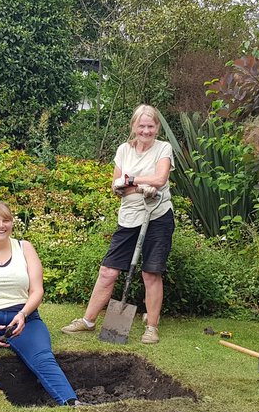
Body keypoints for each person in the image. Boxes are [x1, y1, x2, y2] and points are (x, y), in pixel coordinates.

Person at [61, 104, 174, 344]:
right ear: (133, 126)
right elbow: (116, 187)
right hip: (129, 217)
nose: (146, 131)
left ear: (157, 128)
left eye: (150, 126)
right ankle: (88, 321)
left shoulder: (163, 148)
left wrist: (130, 180)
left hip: (157, 216)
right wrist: (132, 186)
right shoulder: (124, 150)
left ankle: (151, 327)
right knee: (108, 271)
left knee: (150, 273)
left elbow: (160, 179)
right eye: (141, 126)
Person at [0, 201, 78, 406]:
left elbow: (37, 290)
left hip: (23, 321)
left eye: (6, 220)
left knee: (43, 358)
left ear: (12, 223)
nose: (1, 225)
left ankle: (71, 402)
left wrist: (23, 314)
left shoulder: (24, 247)